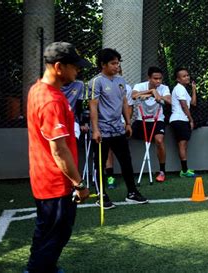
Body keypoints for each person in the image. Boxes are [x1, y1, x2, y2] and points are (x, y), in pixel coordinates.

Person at [26, 42, 90, 273]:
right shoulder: (50, 100)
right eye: (75, 67)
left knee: (48, 233)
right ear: (59, 67)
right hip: (55, 183)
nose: (78, 71)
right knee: (54, 235)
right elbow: (59, 150)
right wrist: (79, 184)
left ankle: (45, 267)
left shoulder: (38, 90)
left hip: (46, 178)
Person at [89, 48, 148, 209]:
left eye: (118, 63)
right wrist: (95, 130)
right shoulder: (96, 82)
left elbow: (124, 103)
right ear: (103, 64)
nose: (116, 66)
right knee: (99, 163)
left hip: (118, 129)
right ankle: (101, 195)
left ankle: (132, 193)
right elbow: (93, 107)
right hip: (102, 129)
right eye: (113, 63)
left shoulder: (121, 81)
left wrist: (128, 123)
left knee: (126, 161)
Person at [130, 66, 171, 182]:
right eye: (155, 79)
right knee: (124, 136)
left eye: (160, 79)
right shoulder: (139, 86)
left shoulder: (164, 88)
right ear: (149, 78)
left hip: (157, 119)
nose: (158, 81)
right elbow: (134, 95)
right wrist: (152, 91)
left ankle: (162, 171)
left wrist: (156, 95)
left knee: (159, 140)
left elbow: (169, 100)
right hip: (140, 119)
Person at [170, 67, 197, 177]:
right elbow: (184, 105)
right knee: (182, 144)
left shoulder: (183, 89)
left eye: (187, 75)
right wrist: (191, 119)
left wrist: (194, 89)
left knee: (184, 144)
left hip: (182, 119)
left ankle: (185, 170)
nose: (187, 77)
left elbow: (193, 103)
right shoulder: (179, 88)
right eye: (184, 76)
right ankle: (184, 171)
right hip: (179, 119)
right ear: (178, 79)